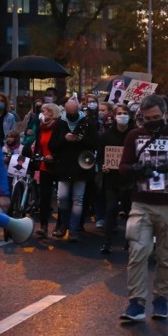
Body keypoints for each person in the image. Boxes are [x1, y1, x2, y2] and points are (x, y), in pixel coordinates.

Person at [118, 94, 168, 321]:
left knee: (166, 256)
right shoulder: (134, 136)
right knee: (137, 251)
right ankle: (136, 302)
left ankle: (161, 298)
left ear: (165, 114)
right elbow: (122, 167)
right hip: (142, 203)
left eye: (156, 117)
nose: (151, 121)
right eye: (146, 118)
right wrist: (136, 168)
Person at [49, 96, 98, 242]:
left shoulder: (87, 123)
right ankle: (64, 224)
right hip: (64, 166)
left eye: (74, 112)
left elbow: (95, 143)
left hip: (81, 166)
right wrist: (65, 139)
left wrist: (81, 139)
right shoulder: (60, 123)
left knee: (78, 199)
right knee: (62, 197)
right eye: (69, 113)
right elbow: (53, 145)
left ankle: (74, 228)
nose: (72, 115)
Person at [97, 104, 134, 254]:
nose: (122, 115)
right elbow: (99, 157)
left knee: (130, 211)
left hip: (129, 179)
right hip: (111, 178)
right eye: (119, 113)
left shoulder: (134, 134)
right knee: (110, 209)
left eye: (125, 113)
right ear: (114, 115)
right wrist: (103, 166)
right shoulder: (106, 135)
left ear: (129, 115)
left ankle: (129, 241)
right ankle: (107, 243)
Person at [33, 103, 61, 237]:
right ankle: (43, 226)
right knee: (44, 197)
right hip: (44, 165)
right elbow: (38, 144)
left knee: (61, 198)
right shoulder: (41, 128)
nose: (41, 114)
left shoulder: (59, 126)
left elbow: (63, 146)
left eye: (43, 111)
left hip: (58, 165)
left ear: (50, 112)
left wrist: (54, 156)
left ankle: (60, 226)